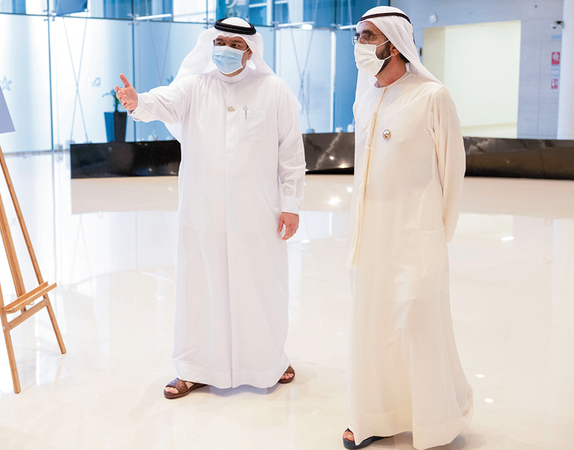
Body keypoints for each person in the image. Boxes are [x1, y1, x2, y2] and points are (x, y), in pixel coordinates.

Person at [114, 17, 306, 399]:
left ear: (250, 52)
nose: (226, 50)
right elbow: (162, 102)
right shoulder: (195, 86)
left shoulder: (274, 90)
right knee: (200, 290)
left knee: (261, 288)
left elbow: (290, 152)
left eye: (235, 45)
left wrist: (292, 204)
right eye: (220, 42)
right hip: (204, 213)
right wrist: (138, 103)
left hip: (257, 214)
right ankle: (194, 368)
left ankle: (269, 360)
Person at [343, 6, 472, 449]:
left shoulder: (432, 96)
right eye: (358, 35)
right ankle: (374, 416)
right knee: (372, 325)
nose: (360, 44)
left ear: (394, 44)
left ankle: (436, 421)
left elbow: (452, 170)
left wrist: (437, 233)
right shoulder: (365, 98)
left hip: (417, 235)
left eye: (368, 36)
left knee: (416, 319)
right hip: (369, 237)